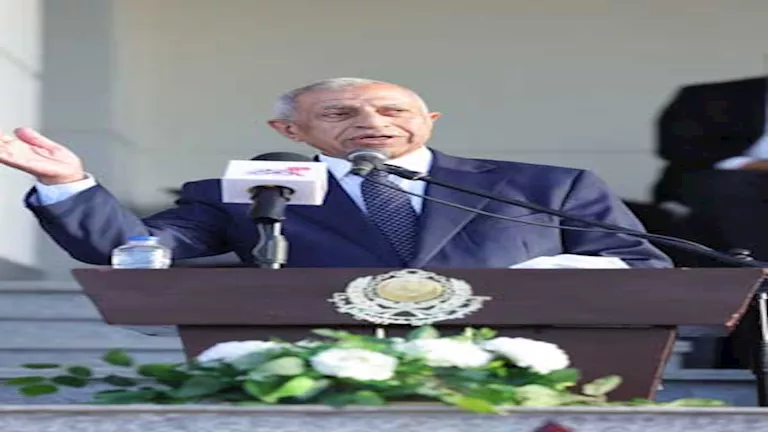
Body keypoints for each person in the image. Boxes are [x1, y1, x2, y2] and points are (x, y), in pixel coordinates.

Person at [0, 77, 671, 268]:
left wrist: (563, 277)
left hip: (528, 366)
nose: (372, 122)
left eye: (393, 110)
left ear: (429, 120)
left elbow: (642, 269)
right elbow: (134, 253)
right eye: (341, 113)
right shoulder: (245, 193)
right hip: (316, 369)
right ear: (290, 133)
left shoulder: (548, 188)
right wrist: (66, 184)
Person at [653, 75, 768, 261]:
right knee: (733, 186)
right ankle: (755, 268)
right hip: (730, 177)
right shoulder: (715, 96)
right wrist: (754, 164)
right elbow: (679, 148)